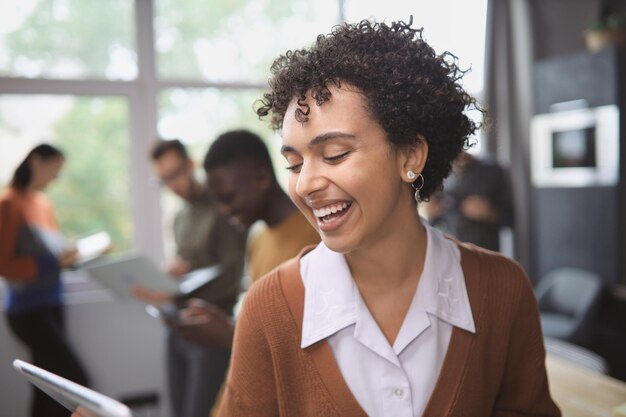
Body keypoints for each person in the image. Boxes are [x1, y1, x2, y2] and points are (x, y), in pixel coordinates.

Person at [216, 18, 560, 417]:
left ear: (410, 156)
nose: (305, 184)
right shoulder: (269, 309)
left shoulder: (503, 290)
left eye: (334, 155)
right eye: (294, 164)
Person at [170, 130, 320, 348]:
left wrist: (230, 334)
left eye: (228, 197)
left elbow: (300, 342)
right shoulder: (257, 239)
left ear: (262, 179)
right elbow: (263, 322)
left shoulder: (313, 237)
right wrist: (224, 323)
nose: (223, 210)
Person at [143, 139, 247, 417]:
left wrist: (176, 290)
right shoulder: (180, 217)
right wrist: (172, 276)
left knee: (200, 411)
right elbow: (189, 267)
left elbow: (231, 275)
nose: (172, 185)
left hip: (210, 324)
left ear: (190, 165)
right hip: (177, 324)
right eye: (164, 180)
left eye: (175, 174)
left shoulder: (224, 206)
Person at [0, 144, 89, 417]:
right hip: (28, 311)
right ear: (36, 162)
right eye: (55, 169)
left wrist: (68, 256)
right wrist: (51, 263)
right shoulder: (8, 203)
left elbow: (52, 252)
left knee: (47, 391)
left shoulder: (43, 203)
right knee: (75, 382)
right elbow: (4, 264)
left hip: (53, 304)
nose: (56, 177)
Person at [426, 151, 514, 252]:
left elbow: (510, 219)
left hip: (484, 253)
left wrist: (490, 213)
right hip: (451, 252)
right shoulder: (438, 174)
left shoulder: (491, 170)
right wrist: (432, 213)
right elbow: (432, 223)